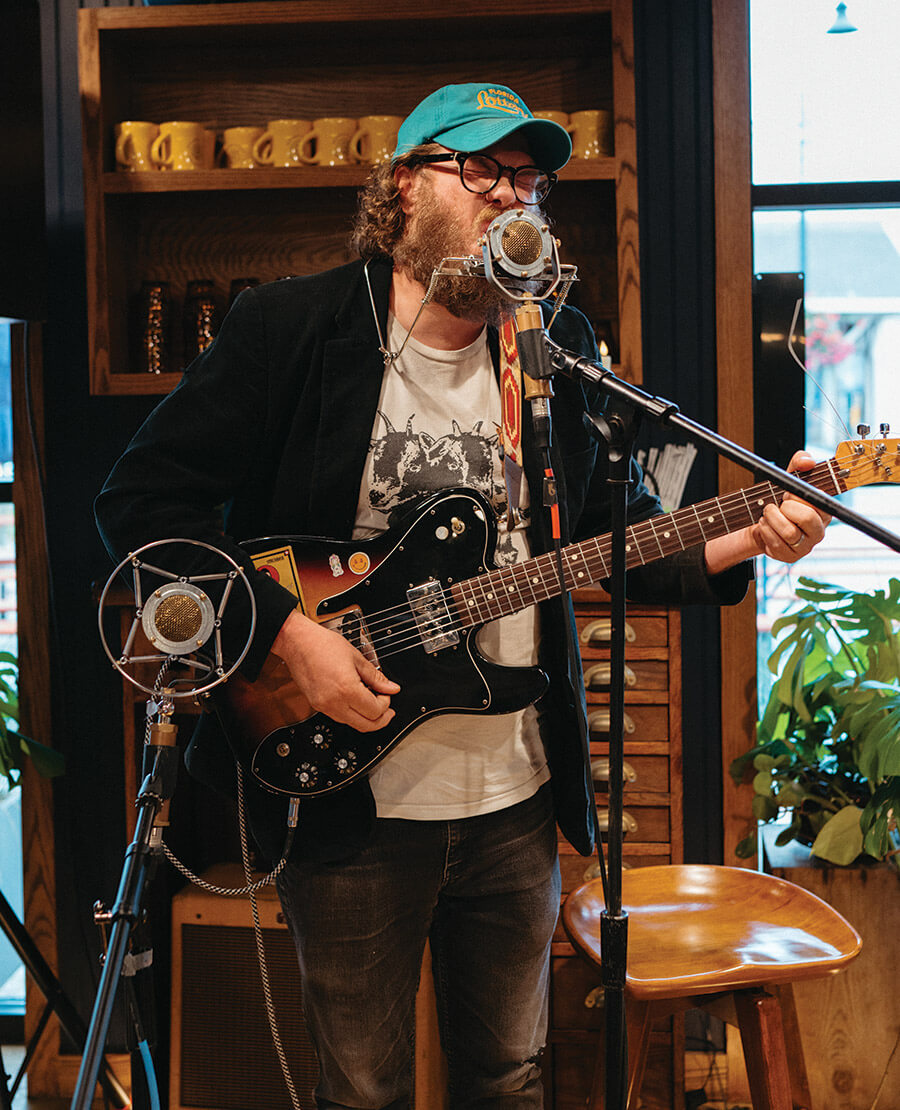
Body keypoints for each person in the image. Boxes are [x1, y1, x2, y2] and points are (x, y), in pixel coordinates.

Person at [95, 82, 829, 1110]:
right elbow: (142, 504)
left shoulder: (551, 348)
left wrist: (753, 533)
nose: (512, 197)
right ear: (404, 189)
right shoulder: (294, 330)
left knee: (513, 1076)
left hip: (513, 796)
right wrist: (284, 641)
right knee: (363, 1089)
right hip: (350, 795)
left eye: (530, 179)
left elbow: (600, 549)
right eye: (480, 169)